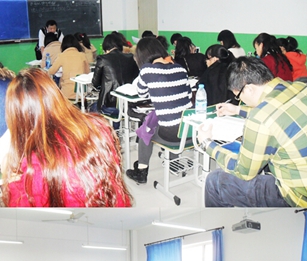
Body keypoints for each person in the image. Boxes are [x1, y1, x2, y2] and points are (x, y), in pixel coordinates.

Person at [1, 68, 132, 207]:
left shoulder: (32, 167)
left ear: (16, 115)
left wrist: (10, 182)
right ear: (55, 94)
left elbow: (24, 212)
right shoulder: (99, 126)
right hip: (114, 208)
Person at [197, 57, 307, 208]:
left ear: (249, 89)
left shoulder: (259, 118)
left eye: (238, 96)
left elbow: (243, 172)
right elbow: (276, 111)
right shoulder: (302, 88)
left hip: (299, 196)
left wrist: (207, 143)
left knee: (214, 181)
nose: (240, 100)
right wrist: (237, 110)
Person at [125, 37, 192, 185]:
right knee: (164, 118)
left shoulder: (147, 70)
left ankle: (141, 171)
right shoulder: (180, 68)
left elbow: (142, 93)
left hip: (171, 135)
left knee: (145, 128)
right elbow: (188, 96)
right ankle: (174, 162)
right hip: (190, 131)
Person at [92, 33, 140, 112]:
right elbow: (136, 79)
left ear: (106, 47)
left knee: (91, 108)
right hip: (128, 104)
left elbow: (95, 83)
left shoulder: (103, 59)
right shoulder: (131, 57)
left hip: (108, 104)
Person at [48, 34, 89, 100]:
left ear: (63, 45)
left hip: (67, 93)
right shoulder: (82, 55)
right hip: (81, 93)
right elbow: (87, 73)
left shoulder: (62, 56)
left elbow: (51, 71)